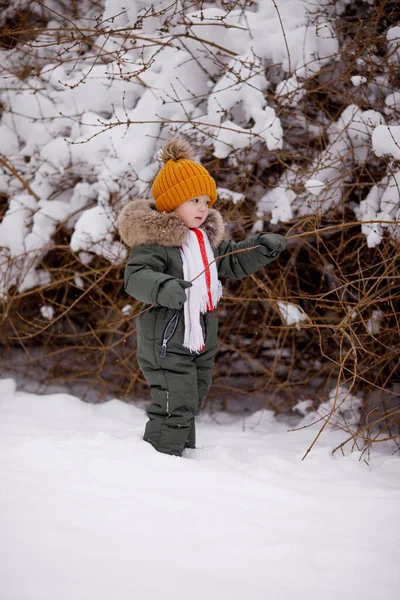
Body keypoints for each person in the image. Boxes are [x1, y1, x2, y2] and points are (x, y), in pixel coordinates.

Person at [118, 136, 286, 457]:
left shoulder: (204, 241)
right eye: (194, 200)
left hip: (200, 335)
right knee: (175, 401)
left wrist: (261, 249)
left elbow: (232, 260)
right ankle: (160, 460)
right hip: (166, 336)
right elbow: (136, 277)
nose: (203, 207)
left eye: (206, 201)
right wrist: (163, 286)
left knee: (191, 397)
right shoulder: (157, 243)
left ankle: (184, 456)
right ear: (171, 202)